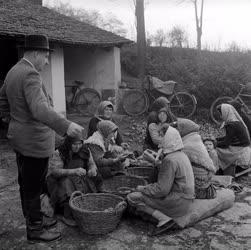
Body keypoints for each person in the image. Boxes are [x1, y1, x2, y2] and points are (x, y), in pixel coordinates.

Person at [0, 34, 84, 243]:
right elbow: (39, 109)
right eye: (46, 57)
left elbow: (2, 98)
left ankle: (36, 220)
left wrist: (11, 121)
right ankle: (36, 230)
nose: (47, 62)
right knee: (33, 186)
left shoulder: (13, 70)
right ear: (37, 53)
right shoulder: (30, 74)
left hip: (21, 140)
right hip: (33, 143)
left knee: (27, 183)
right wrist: (66, 125)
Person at [127, 126, 195, 236]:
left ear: (168, 139)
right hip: (187, 200)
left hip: (178, 202)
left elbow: (162, 190)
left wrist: (142, 188)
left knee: (132, 197)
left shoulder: (170, 160)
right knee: (146, 192)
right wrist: (157, 162)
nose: (160, 140)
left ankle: (164, 219)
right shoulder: (181, 154)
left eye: (162, 136)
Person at [47, 135, 102, 227]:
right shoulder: (60, 152)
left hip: (79, 176)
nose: (77, 147)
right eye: (74, 144)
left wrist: (92, 169)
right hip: (61, 179)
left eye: (79, 144)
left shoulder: (85, 150)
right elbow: (55, 171)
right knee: (67, 184)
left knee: (96, 176)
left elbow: (91, 163)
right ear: (69, 143)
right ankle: (66, 215)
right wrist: (74, 171)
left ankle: (87, 205)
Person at [177, 119, 217, 199]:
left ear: (185, 130)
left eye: (179, 128)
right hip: (205, 184)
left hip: (199, 188)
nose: (177, 131)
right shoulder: (194, 138)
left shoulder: (188, 144)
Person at [216, 103, 251, 176]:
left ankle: (220, 169)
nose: (220, 116)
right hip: (244, 149)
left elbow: (226, 143)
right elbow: (229, 138)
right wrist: (216, 139)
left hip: (240, 151)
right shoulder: (236, 121)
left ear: (226, 113)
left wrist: (214, 143)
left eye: (220, 113)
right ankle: (223, 169)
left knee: (217, 150)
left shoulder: (232, 125)